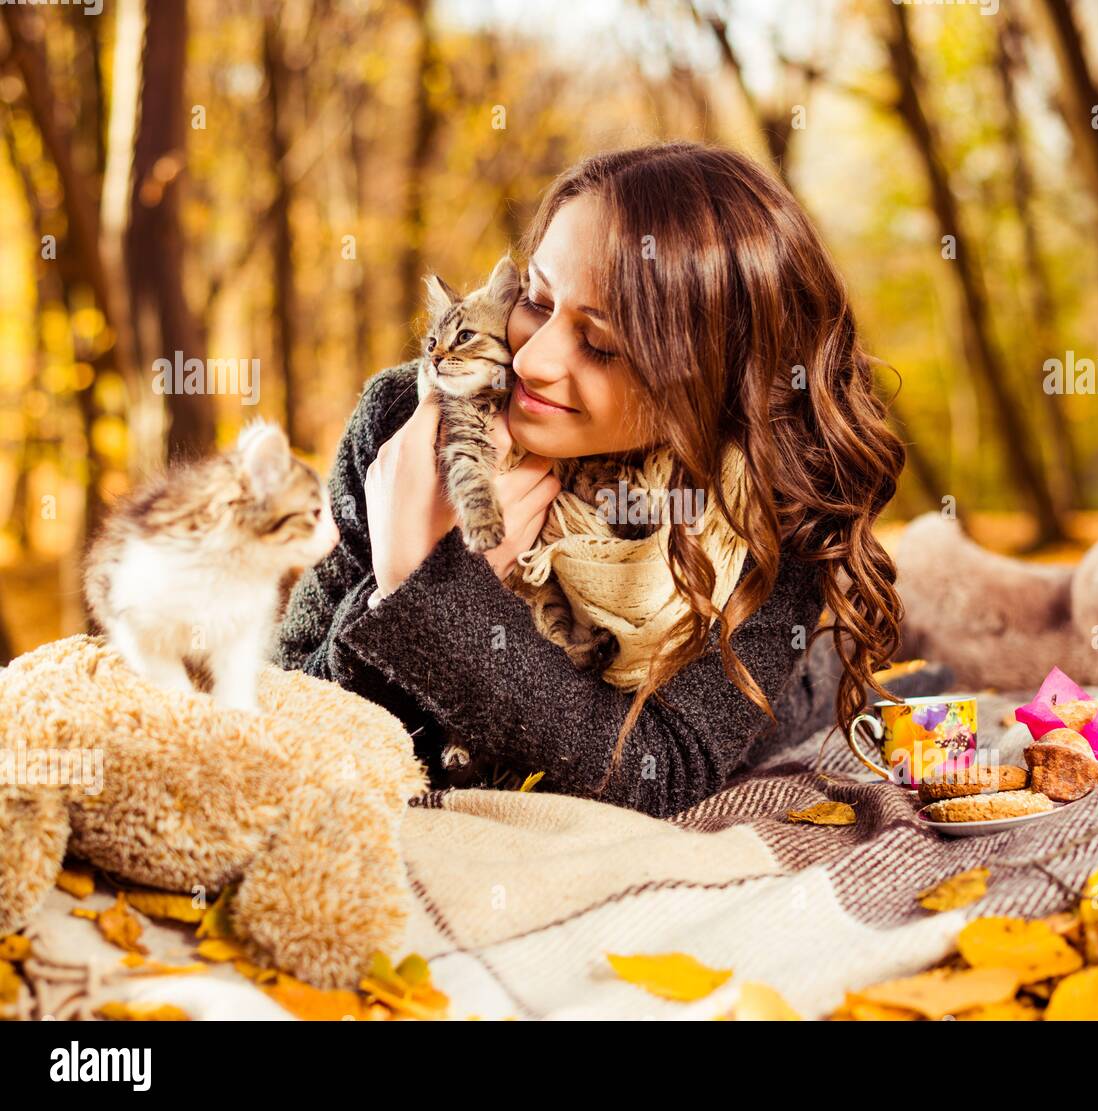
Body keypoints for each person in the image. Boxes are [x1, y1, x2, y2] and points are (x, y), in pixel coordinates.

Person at [275, 141, 905, 818]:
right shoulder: (405, 425)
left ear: (714, 381)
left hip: (790, 690)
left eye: (600, 344)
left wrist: (431, 585)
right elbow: (288, 709)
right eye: (538, 301)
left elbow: (659, 772)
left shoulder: (777, 503)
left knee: (827, 670)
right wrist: (389, 593)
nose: (534, 360)